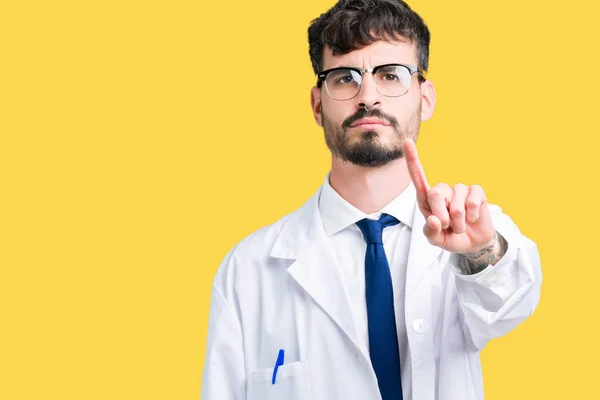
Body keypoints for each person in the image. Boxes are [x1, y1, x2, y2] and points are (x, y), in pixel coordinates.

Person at [200, 1, 542, 399]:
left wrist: (481, 251)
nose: (368, 96)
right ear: (316, 103)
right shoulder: (247, 270)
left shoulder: (468, 231)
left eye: (390, 75)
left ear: (425, 98)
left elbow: (510, 304)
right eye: (345, 77)